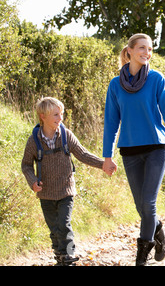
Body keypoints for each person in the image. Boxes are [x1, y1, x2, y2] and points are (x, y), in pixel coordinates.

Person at [102, 33, 165, 266]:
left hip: (156, 148)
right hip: (129, 150)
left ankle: (141, 257)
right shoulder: (115, 85)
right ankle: (161, 233)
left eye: (149, 49)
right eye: (141, 48)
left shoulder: (156, 79)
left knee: (148, 203)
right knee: (141, 206)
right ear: (129, 51)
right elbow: (111, 122)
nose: (146, 53)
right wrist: (106, 156)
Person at [21, 97, 106, 266]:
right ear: (42, 116)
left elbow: (83, 154)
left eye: (61, 114)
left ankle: (68, 255)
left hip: (66, 190)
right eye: (55, 115)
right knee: (54, 228)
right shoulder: (34, 140)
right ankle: (60, 256)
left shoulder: (66, 135)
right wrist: (33, 182)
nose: (60, 118)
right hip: (45, 193)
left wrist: (103, 164)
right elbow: (26, 165)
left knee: (63, 224)